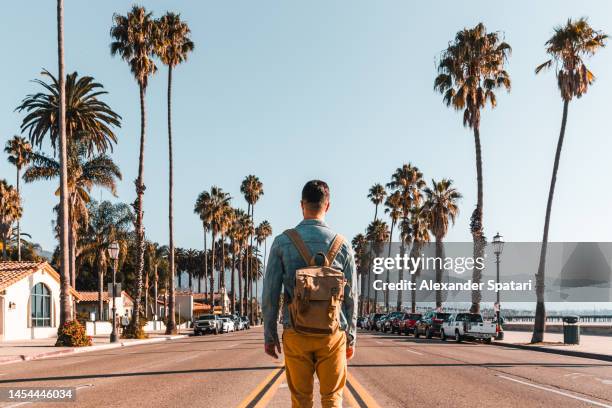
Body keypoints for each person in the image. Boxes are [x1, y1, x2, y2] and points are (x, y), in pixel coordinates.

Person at [262, 180, 358, 408]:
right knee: (333, 399)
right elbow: (352, 298)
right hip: (332, 335)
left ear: (301, 205)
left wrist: (270, 335)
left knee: (301, 401)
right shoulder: (343, 246)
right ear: (328, 206)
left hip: (296, 333)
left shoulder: (282, 242)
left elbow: (270, 295)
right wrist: (351, 338)